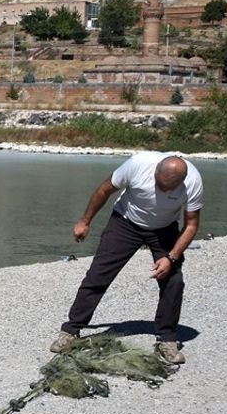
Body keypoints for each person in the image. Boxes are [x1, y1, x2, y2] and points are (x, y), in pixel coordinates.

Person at [50, 152, 203, 364]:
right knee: (98, 275)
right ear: (155, 171)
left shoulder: (193, 181)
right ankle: (71, 329)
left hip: (164, 229)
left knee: (174, 281)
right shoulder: (137, 165)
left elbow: (192, 225)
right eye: (161, 185)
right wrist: (85, 221)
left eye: (170, 189)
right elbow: (104, 190)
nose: (164, 191)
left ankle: (167, 339)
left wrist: (171, 257)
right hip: (126, 223)